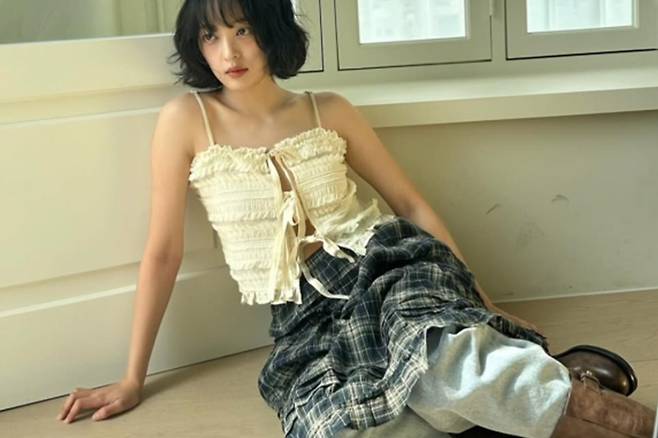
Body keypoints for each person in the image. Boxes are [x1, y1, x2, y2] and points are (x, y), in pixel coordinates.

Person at [57, 1, 656, 437]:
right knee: (341, 424)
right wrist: (132, 378)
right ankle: (540, 382)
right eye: (211, 36)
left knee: (434, 355)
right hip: (306, 315)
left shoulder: (329, 109)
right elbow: (163, 252)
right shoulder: (187, 120)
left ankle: (628, 421)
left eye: (242, 30)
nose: (229, 53)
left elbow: (410, 205)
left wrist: (481, 300)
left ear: (270, 30)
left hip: (388, 265)